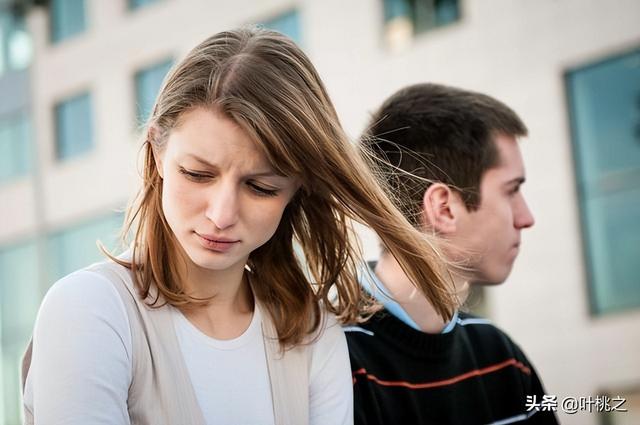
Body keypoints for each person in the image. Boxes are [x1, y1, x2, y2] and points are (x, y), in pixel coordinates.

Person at [21, 29, 458, 425]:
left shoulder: (312, 333)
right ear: (156, 153)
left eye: (261, 187)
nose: (221, 214)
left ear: (296, 191)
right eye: (197, 174)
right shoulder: (90, 309)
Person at [346, 83, 559, 424]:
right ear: (443, 208)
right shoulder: (333, 363)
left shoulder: (503, 358)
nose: (526, 218)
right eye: (511, 191)